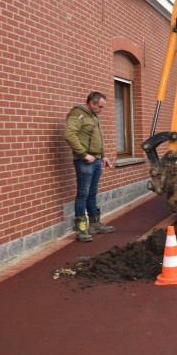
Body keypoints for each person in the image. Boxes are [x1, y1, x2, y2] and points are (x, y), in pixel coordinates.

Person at [64, 92, 115, 242]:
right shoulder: (77, 114)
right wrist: (83, 154)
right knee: (83, 194)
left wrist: (103, 155)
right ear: (91, 103)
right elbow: (69, 135)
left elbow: (96, 137)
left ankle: (94, 224)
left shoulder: (92, 115)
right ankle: (81, 229)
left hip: (97, 160)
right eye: (100, 106)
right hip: (85, 161)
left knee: (92, 193)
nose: (101, 109)